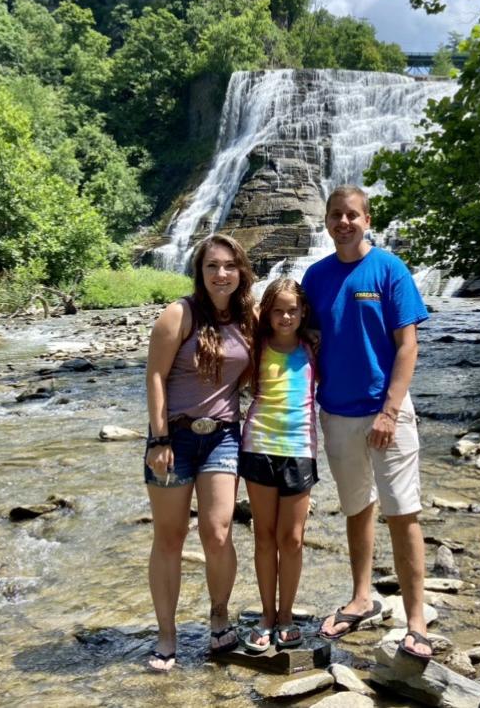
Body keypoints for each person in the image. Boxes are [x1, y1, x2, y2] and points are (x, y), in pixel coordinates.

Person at [301, 185, 433, 660]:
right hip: (336, 412)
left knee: (403, 513)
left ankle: (416, 620)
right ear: (327, 221)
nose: (344, 222)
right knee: (357, 508)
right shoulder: (315, 277)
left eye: (352, 215)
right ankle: (362, 598)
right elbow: (306, 338)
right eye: (336, 215)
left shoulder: (390, 269)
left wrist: (391, 412)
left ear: (367, 220)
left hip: (386, 413)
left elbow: (407, 345)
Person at [144, 234, 256, 672]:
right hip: (175, 438)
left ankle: (219, 618)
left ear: (241, 270)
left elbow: (287, 338)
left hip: (224, 436)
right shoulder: (179, 313)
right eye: (212, 266)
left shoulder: (250, 317)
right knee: (170, 538)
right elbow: (155, 377)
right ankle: (167, 635)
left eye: (229, 265)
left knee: (218, 532)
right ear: (200, 271)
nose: (221, 273)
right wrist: (158, 439)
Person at [239, 277, 318, 653]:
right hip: (257, 447)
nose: (285, 316)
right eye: (278, 310)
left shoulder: (313, 347)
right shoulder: (255, 347)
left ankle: (286, 614)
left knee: (292, 538)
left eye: (292, 310)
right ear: (266, 313)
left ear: (303, 313)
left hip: (300, 450)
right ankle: (267, 616)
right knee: (264, 536)